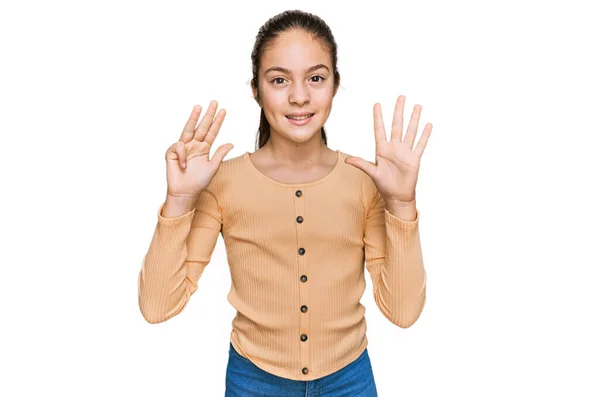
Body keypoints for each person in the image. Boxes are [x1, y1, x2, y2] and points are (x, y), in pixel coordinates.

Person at [138, 9, 432, 397]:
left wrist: (401, 204)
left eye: (315, 78)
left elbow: (404, 313)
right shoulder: (221, 182)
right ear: (256, 89)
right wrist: (178, 200)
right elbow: (157, 306)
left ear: (335, 85)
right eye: (279, 80)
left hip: (349, 380)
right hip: (253, 381)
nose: (299, 96)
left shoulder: (366, 182)